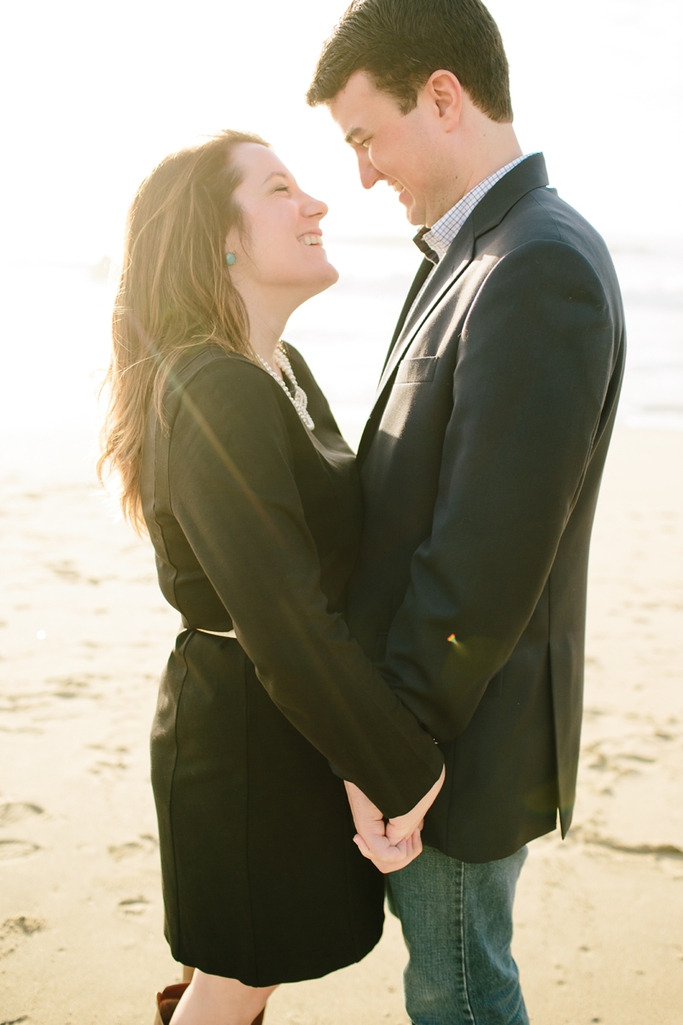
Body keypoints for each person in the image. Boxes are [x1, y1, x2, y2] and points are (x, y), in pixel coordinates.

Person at [307, 1, 626, 1022]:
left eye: (365, 136)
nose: (360, 173)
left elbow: (480, 562)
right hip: (432, 734)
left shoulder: (534, 266)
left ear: (440, 97)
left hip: (451, 755)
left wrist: (392, 755)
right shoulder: (469, 253)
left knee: (461, 992)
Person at [98, 130, 445, 1025]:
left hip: (282, 723)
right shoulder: (216, 387)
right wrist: (396, 765)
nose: (318, 203)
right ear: (219, 235)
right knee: (235, 981)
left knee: (249, 974)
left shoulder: (277, 369)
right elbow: (283, 613)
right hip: (246, 741)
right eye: (281, 189)